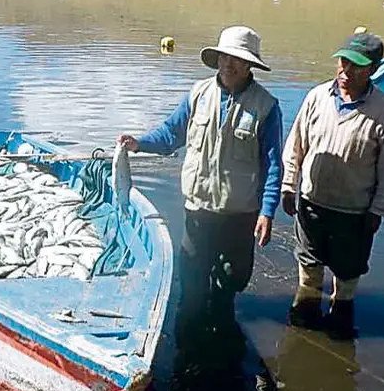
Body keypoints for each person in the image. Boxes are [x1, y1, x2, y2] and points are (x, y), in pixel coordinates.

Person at [117, 25, 284, 338]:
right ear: (217, 58)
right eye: (224, 57)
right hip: (199, 209)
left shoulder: (266, 107)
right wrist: (139, 143)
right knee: (191, 278)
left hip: (240, 212)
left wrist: (267, 211)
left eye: (237, 59)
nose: (229, 64)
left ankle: (222, 326)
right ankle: (188, 336)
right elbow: (170, 135)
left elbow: (274, 164)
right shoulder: (197, 95)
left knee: (233, 278)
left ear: (250, 65)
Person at [281, 31, 384, 340]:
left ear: (373, 70)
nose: (346, 72)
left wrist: (378, 211)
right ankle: (303, 327)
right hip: (311, 204)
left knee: (347, 278)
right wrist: (288, 185)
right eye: (343, 62)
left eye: (357, 67)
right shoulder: (317, 97)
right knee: (308, 272)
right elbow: (296, 145)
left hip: (354, 212)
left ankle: (339, 327)